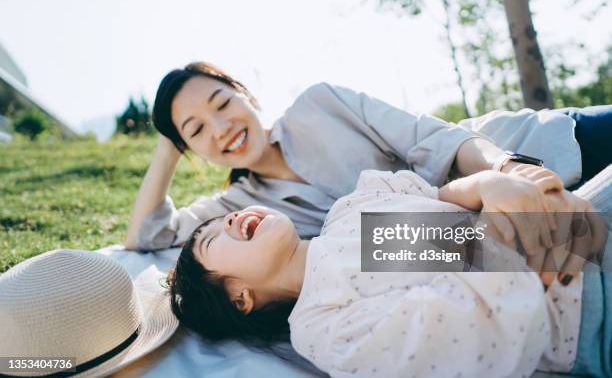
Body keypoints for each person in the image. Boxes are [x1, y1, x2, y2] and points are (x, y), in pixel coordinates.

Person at [124, 61, 606, 282]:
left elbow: (432, 138)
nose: (221, 128)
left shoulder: (319, 104)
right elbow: (146, 235)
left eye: (222, 103)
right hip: (488, 234)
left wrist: (509, 169)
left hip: (526, 149)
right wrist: (168, 144)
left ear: (247, 95)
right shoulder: (240, 214)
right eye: (196, 130)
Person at [165, 166, 611, 378]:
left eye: (224, 217)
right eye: (212, 239)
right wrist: (521, 223)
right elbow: (464, 320)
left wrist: (495, 183)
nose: (228, 220)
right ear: (240, 298)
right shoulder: (321, 322)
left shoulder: (350, 212)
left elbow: (450, 201)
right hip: (587, 307)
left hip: (584, 213)